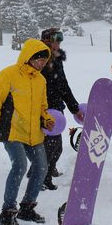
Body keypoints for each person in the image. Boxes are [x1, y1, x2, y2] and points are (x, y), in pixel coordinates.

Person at [0, 38, 55, 225]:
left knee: (41, 168)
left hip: (33, 133)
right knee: (20, 166)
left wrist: (47, 118)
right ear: (29, 56)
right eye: (38, 59)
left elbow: (43, 107)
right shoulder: (8, 75)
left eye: (44, 61)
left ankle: (27, 207)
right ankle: (7, 212)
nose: (41, 63)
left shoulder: (40, 80)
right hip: (12, 131)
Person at [39, 27, 83, 190]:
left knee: (55, 147)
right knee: (50, 146)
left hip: (56, 108)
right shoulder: (39, 59)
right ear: (47, 41)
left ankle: (46, 171)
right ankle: (42, 177)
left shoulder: (55, 59)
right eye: (55, 41)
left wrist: (74, 108)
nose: (58, 44)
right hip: (44, 109)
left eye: (59, 41)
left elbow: (62, 85)